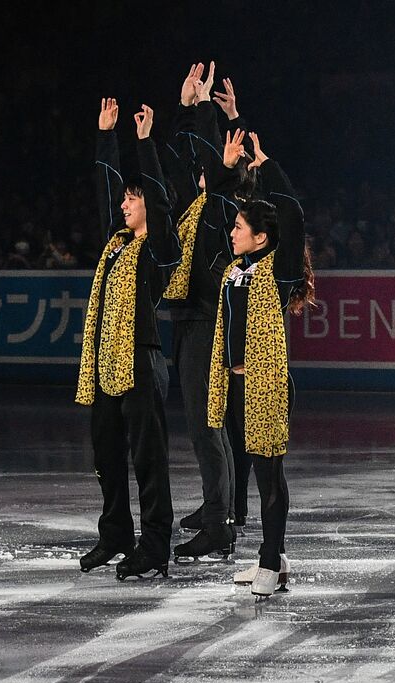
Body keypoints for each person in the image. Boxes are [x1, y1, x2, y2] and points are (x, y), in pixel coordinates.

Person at [74, 98, 179, 580]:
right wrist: (105, 139)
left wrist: (143, 144)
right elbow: (104, 194)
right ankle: (115, 533)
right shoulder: (116, 246)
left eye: (130, 200)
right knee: (107, 454)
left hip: (140, 361)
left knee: (147, 459)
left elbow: (157, 198)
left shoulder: (158, 251)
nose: (123, 204)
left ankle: (155, 543)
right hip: (104, 363)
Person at [205, 129, 313, 598]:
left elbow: (293, 213)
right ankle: (274, 556)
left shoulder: (278, 269)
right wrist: (231, 173)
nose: (232, 232)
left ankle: (271, 561)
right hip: (233, 386)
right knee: (250, 472)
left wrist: (266, 167)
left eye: (240, 228)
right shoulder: (234, 270)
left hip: (265, 387)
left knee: (271, 475)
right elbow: (211, 220)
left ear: (261, 237)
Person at [161, 61, 243, 561]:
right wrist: (185, 107)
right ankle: (222, 511)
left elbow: (214, 163)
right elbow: (175, 160)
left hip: (207, 321)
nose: (194, 173)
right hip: (189, 318)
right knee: (205, 424)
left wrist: (210, 117)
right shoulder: (195, 204)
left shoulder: (220, 208)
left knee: (206, 424)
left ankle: (220, 522)